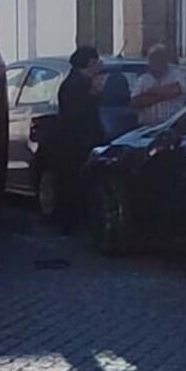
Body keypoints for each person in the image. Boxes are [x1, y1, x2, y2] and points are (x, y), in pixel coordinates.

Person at [55, 46, 104, 234]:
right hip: (75, 141)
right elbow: (78, 112)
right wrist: (95, 93)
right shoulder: (75, 84)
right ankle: (70, 221)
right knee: (72, 181)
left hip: (83, 140)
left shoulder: (80, 82)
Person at [131, 44, 186, 126]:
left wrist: (150, 92)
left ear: (165, 60)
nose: (156, 62)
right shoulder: (143, 80)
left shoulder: (177, 74)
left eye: (159, 59)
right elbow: (136, 102)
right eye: (153, 59)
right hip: (148, 128)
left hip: (174, 126)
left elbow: (175, 90)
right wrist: (164, 94)